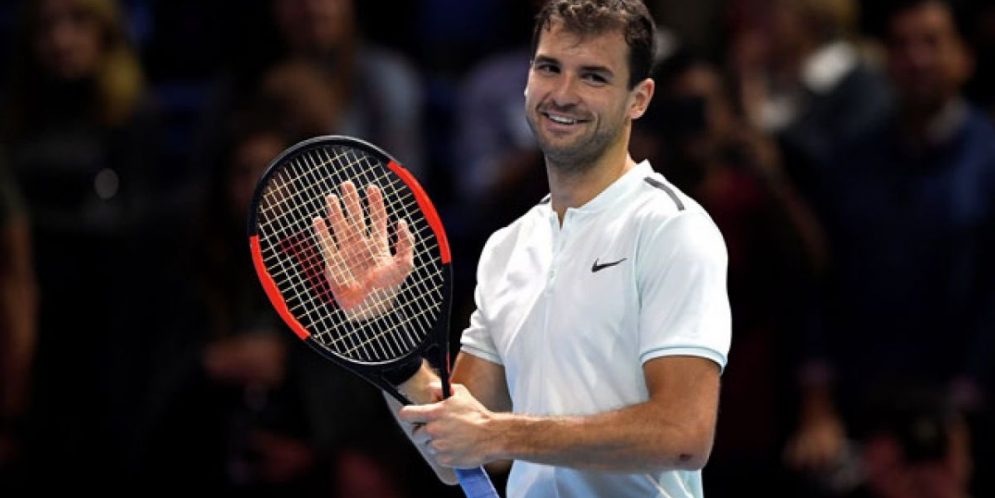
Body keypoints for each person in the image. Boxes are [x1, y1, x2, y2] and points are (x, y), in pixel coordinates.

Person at [312, 1, 731, 496]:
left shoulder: (672, 228)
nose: (563, 94)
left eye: (593, 77)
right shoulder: (507, 247)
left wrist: (499, 434)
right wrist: (387, 331)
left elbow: (682, 436)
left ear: (638, 99)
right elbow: (458, 454)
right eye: (549, 68)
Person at [785, 1, 995, 495]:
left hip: (969, 415)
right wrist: (818, 404)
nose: (916, 59)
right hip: (865, 410)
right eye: (901, 45)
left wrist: (962, 414)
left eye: (932, 42)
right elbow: (821, 283)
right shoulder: (851, 163)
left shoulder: (988, 160)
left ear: (965, 56)